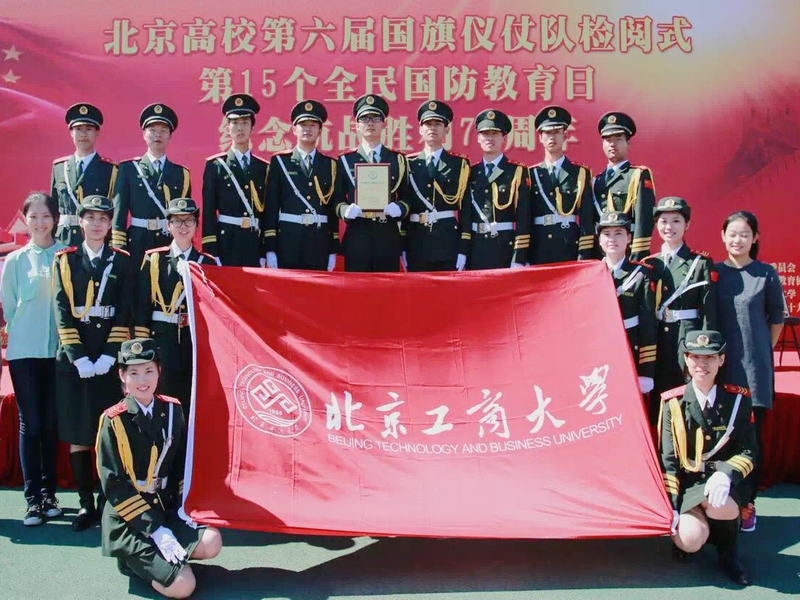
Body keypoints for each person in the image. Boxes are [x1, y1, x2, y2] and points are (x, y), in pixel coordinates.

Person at [96, 338, 222, 599]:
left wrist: (185, 509)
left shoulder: (173, 409)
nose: (143, 380)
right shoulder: (113, 420)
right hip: (131, 518)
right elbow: (114, 486)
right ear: (122, 376)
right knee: (183, 587)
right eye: (134, 373)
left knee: (212, 542)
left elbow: (180, 466)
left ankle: (167, 563)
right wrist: (156, 530)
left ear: (159, 372)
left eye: (149, 371)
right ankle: (132, 561)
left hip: (165, 507)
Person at [53, 195, 133, 531]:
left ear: (111, 223)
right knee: (79, 435)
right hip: (77, 361)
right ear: (81, 221)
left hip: (107, 360)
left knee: (109, 434)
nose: (97, 224)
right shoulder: (65, 260)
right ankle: (85, 503)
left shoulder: (122, 260)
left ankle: (107, 502)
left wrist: (110, 354)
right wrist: (79, 357)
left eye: (103, 218)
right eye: (91, 218)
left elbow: (125, 308)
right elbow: (61, 310)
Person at [660, 329, 757, 586]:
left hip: (722, 483)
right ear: (686, 359)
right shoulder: (673, 403)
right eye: (695, 357)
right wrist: (671, 506)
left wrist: (726, 474)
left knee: (721, 504)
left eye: (710, 357)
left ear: (721, 360)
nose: (701, 364)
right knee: (690, 540)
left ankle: (728, 553)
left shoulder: (737, 399)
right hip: (690, 484)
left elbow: (749, 451)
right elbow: (669, 460)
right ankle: (694, 534)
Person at [715, 211, 785, 532]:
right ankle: (720, 502)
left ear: (754, 238)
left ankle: (747, 505)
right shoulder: (714, 273)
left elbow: (776, 321)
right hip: (721, 369)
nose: (737, 240)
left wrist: (759, 351)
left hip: (754, 372)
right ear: (722, 236)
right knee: (721, 439)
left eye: (744, 234)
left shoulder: (765, 274)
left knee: (750, 441)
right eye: (732, 233)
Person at [1, 192, 65, 525]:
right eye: (33, 216)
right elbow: (10, 308)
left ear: (55, 219)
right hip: (24, 352)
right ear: (25, 220)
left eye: (46, 216)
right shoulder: (15, 261)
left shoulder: (66, 255)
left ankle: (50, 494)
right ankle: (33, 499)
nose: (40, 223)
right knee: (32, 423)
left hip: (57, 352)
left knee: (52, 423)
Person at [135, 198, 220, 414]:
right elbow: (142, 306)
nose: (183, 226)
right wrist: (144, 346)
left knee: (191, 399)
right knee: (163, 398)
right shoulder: (154, 259)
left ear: (196, 225)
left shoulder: (207, 263)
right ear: (168, 225)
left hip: (193, 342)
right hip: (162, 340)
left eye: (189, 220)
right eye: (177, 221)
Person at [643, 197, 717, 422]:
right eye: (663, 221)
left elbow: (709, 312)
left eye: (676, 221)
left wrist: (705, 350)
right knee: (659, 395)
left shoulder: (699, 263)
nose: (669, 227)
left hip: (688, 336)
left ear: (687, 225)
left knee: (687, 392)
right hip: (657, 339)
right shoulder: (649, 264)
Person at [335, 94, 410, 272]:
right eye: (365, 119)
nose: (370, 123)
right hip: (357, 235)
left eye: (375, 118)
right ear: (357, 125)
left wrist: (400, 208)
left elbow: (408, 198)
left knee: (387, 288)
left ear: (384, 124)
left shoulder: (398, 159)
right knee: (356, 288)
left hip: (387, 236)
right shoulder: (345, 160)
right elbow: (336, 199)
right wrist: (345, 210)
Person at [264, 100, 339, 271]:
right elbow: (271, 207)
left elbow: (332, 211)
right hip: (288, 241)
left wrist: (332, 248)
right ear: (294, 129)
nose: (307, 129)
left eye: (313, 125)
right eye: (303, 125)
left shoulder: (330, 165)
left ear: (320, 130)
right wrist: (270, 247)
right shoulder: (280, 162)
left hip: (319, 243)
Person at [112, 104, 191, 263]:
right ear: (144, 134)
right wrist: (119, 247)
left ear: (170, 135)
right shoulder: (128, 169)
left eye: (163, 131)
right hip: (137, 242)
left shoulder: (181, 173)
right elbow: (119, 212)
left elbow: (184, 216)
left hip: (168, 242)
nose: (157, 135)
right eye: (152, 130)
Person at [201, 94, 268, 267]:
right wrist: (211, 251)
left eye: (245, 123)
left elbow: (267, 214)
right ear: (228, 128)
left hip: (254, 242)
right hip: (226, 242)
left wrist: (265, 250)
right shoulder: (216, 165)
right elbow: (209, 212)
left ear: (252, 128)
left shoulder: (263, 167)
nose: (240, 128)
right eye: (235, 123)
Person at [404, 100, 470, 271]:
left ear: (446, 129)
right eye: (428, 124)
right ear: (420, 129)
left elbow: (466, 211)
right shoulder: (408, 163)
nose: (432, 128)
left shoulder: (459, 164)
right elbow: (404, 203)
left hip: (447, 242)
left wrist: (463, 248)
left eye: (438, 124)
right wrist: (402, 245)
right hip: (416, 242)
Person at [596, 212, 656, 394]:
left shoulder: (641, 274)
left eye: (619, 233)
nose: (612, 239)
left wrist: (645, 372)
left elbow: (648, 325)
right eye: (607, 234)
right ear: (599, 240)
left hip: (630, 349)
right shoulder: (591, 272)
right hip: (599, 352)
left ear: (629, 238)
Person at [462, 109, 530, 269]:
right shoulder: (470, 172)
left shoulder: (516, 172)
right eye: (485, 134)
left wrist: (519, 257)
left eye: (495, 134)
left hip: (505, 248)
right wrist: (463, 252)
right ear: (478, 138)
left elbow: (524, 218)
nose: (490, 138)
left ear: (504, 138)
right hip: (476, 249)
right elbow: (465, 217)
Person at [591, 112, 656, 261]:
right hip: (602, 256)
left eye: (618, 139)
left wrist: (637, 256)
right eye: (608, 140)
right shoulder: (596, 181)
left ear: (628, 143)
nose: (612, 144)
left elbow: (644, 220)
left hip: (629, 253)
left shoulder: (637, 175)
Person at [50, 103, 117, 246]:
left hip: (96, 240)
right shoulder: (60, 167)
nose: (83, 134)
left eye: (89, 129)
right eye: (78, 129)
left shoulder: (110, 169)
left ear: (97, 132)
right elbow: (53, 209)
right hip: (64, 239)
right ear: (71, 133)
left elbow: (115, 210)